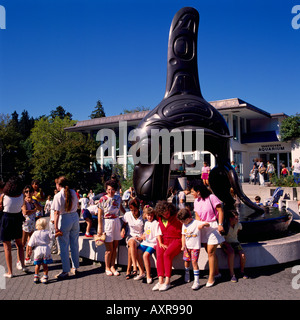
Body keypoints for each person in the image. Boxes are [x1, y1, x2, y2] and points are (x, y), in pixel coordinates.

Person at [191, 183, 225, 287]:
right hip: (203, 228)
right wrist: (198, 226)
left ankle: (211, 278)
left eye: (192, 192)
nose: (191, 194)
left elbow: (220, 210)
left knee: (210, 251)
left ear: (198, 191)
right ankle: (217, 272)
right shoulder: (196, 201)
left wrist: (220, 224)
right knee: (209, 251)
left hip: (213, 227)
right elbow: (197, 216)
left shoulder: (212, 197)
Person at [53, 176, 80, 279]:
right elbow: (77, 205)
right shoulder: (73, 192)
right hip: (74, 216)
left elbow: (56, 212)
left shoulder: (58, 196)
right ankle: (75, 267)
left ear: (58, 185)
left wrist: (56, 227)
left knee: (64, 246)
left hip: (65, 218)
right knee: (74, 243)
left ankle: (65, 270)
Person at [0, 176, 28, 277]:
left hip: (6, 220)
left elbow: (0, 207)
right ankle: (23, 265)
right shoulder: (21, 196)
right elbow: (21, 206)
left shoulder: (3, 196)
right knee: (20, 245)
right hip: (17, 219)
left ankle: (10, 272)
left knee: (7, 247)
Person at [97, 179, 126, 276]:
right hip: (107, 223)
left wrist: (128, 215)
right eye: (109, 189)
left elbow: (121, 208)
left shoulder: (118, 198)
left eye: (112, 189)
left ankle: (113, 266)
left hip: (116, 222)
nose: (110, 191)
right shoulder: (103, 199)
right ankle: (107, 267)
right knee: (109, 248)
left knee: (115, 247)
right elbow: (100, 215)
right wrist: (100, 228)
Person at [152, 201, 182, 292]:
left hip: (177, 239)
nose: (166, 216)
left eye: (167, 213)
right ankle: (160, 280)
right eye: (163, 214)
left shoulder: (177, 216)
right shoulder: (159, 218)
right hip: (164, 240)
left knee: (167, 255)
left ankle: (167, 281)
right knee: (159, 254)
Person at [177, 208, 209, 290]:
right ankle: (187, 272)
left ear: (188, 219)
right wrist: (183, 245)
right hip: (187, 247)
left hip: (195, 247)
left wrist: (204, 225)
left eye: (183, 221)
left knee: (194, 262)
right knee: (187, 261)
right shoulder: (184, 225)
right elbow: (183, 235)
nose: (182, 223)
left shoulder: (196, 223)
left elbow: (208, 224)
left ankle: (196, 281)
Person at [27, 218, 62, 284]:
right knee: (45, 265)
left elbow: (30, 243)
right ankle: (45, 277)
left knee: (37, 264)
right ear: (45, 225)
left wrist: (30, 250)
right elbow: (52, 237)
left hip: (38, 250)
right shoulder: (47, 232)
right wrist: (58, 234)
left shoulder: (35, 233)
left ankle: (36, 276)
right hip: (46, 249)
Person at [220, 210, 248, 282]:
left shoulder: (238, 225)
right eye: (236, 218)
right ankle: (232, 274)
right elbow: (221, 237)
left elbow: (237, 233)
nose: (237, 220)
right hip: (225, 242)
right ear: (230, 218)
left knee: (242, 254)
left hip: (235, 242)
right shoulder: (225, 226)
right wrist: (226, 244)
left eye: (237, 218)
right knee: (231, 253)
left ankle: (242, 271)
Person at [121, 198, 145, 280]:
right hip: (130, 236)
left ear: (138, 208)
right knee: (131, 242)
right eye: (131, 210)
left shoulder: (143, 215)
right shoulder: (128, 215)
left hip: (140, 237)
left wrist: (142, 237)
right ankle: (135, 266)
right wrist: (123, 229)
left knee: (131, 246)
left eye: (135, 210)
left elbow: (147, 229)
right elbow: (124, 224)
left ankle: (129, 269)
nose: (133, 212)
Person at [138, 205, 162, 284]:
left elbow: (158, 234)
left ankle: (148, 275)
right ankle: (142, 272)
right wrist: (142, 236)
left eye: (151, 215)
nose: (150, 217)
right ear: (145, 215)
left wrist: (160, 243)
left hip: (153, 243)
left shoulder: (156, 223)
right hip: (146, 242)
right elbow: (146, 232)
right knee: (137, 252)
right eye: (148, 215)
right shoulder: (146, 223)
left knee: (145, 255)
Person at [21, 185, 42, 266]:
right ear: (24, 193)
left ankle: (27, 258)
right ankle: (20, 260)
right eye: (26, 191)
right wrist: (34, 210)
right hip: (25, 224)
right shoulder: (23, 201)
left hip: (32, 223)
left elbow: (40, 208)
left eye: (30, 191)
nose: (28, 193)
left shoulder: (34, 201)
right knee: (23, 243)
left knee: (30, 242)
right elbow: (25, 212)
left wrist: (34, 204)